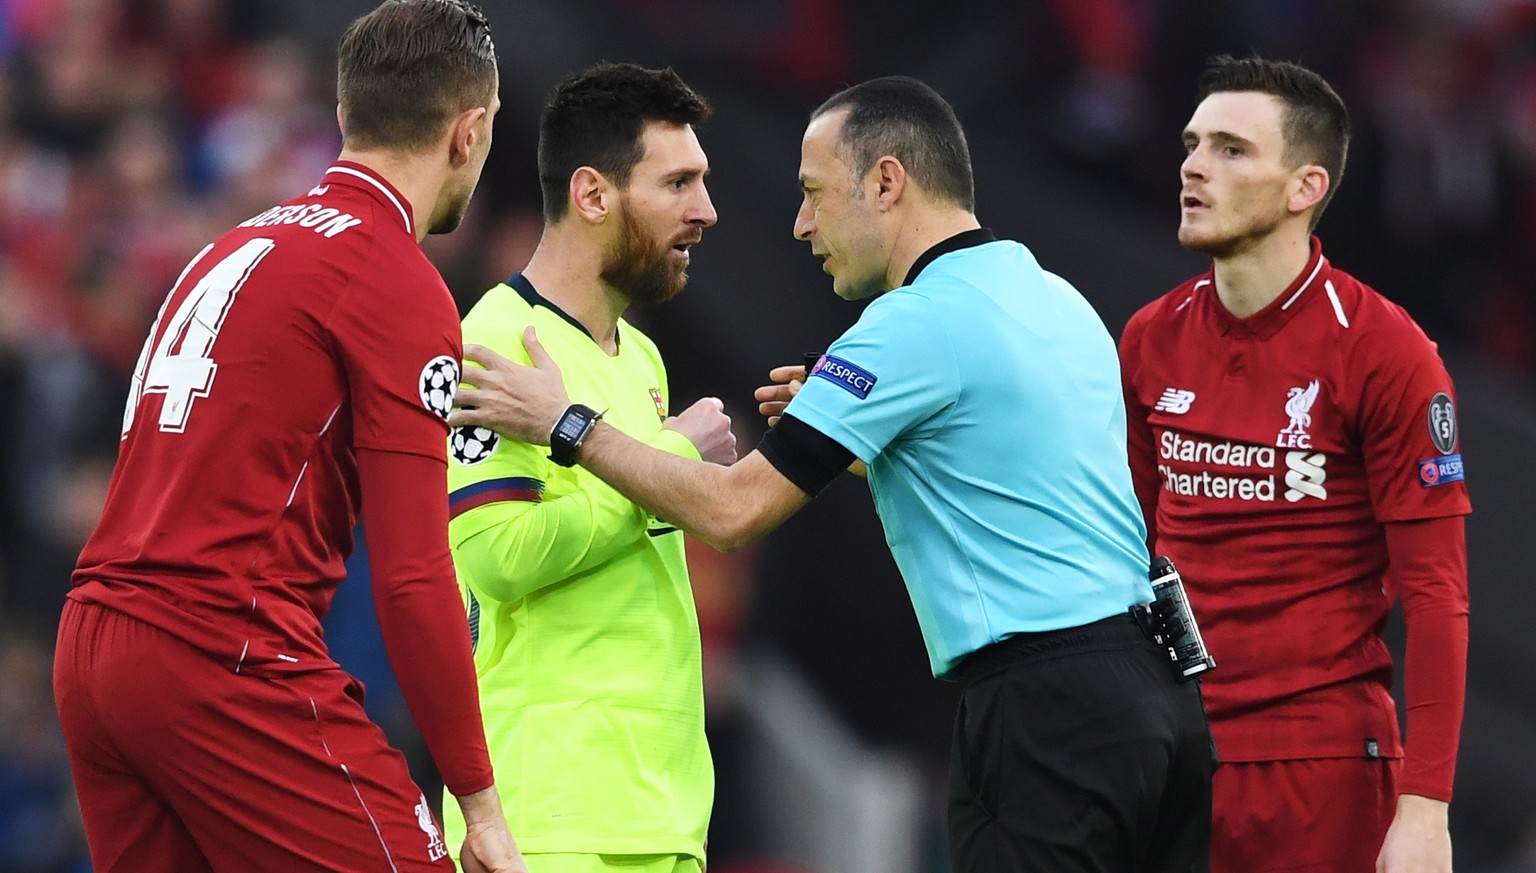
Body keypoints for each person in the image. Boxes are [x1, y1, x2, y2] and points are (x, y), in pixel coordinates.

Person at [451, 75, 1214, 873]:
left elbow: (733, 511)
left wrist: (569, 426)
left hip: (1047, 712)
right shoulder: (1058, 300)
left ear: (887, 182)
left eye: (815, 193)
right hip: (1160, 694)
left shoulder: (907, 324)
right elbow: (999, 474)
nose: (802, 223)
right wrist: (860, 438)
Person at [52, 2, 526, 871]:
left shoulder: (232, 245)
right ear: (470, 134)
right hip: (221, 650)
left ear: (346, 117)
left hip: (94, 640)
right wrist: (479, 804)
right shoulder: (393, 277)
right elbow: (415, 573)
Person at [1117, 55, 1470, 873]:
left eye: (1231, 149)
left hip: (1322, 770)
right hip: (1169, 755)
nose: (1194, 165)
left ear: (1305, 187)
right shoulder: (1149, 336)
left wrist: (1426, 808)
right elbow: (1122, 548)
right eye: (1192, 142)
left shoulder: (1388, 353)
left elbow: (1438, 594)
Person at [440, 62, 731, 873]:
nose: (705, 210)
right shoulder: (495, 340)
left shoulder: (640, 356)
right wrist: (668, 461)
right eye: (678, 183)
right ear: (594, 195)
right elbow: (497, 558)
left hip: (660, 810)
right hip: (550, 815)